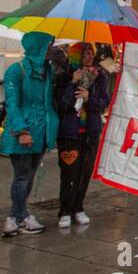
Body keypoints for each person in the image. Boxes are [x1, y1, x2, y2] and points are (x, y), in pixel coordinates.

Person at [0, 31, 58, 238]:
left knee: (29, 175)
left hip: (41, 132)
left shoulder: (46, 71)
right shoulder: (17, 70)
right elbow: (12, 103)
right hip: (24, 133)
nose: (51, 49)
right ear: (38, 47)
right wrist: (21, 130)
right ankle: (19, 216)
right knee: (22, 176)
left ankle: (16, 217)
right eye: (48, 46)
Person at [54, 42, 110, 228]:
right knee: (69, 173)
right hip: (70, 133)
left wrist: (89, 99)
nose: (88, 56)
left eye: (90, 53)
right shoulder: (64, 76)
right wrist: (72, 83)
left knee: (85, 172)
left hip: (90, 131)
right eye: (84, 53)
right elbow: (62, 104)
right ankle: (65, 209)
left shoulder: (99, 76)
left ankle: (78, 207)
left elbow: (103, 102)